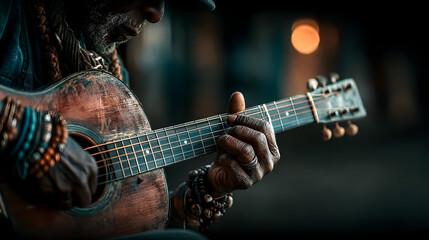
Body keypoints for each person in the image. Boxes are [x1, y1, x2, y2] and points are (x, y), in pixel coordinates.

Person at [0, 0, 280, 238]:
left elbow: (122, 224)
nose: (155, 13)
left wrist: (211, 187)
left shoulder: (113, 75)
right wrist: (31, 135)